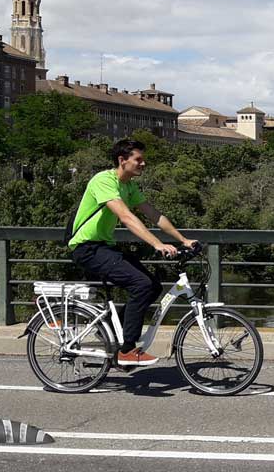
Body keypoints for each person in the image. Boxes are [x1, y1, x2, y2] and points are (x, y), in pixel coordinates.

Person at [68, 139, 197, 366]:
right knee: (141, 285)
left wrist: (183, 240)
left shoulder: (129, 186)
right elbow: (126, 217)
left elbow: (154, 215)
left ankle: (109, 328)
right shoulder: (104, 181)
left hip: (103, 247)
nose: (143, 163)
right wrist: (157, 244)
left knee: (153, 285)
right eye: (138, 159)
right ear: (122, 160)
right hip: (86, 248)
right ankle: (126, 350)